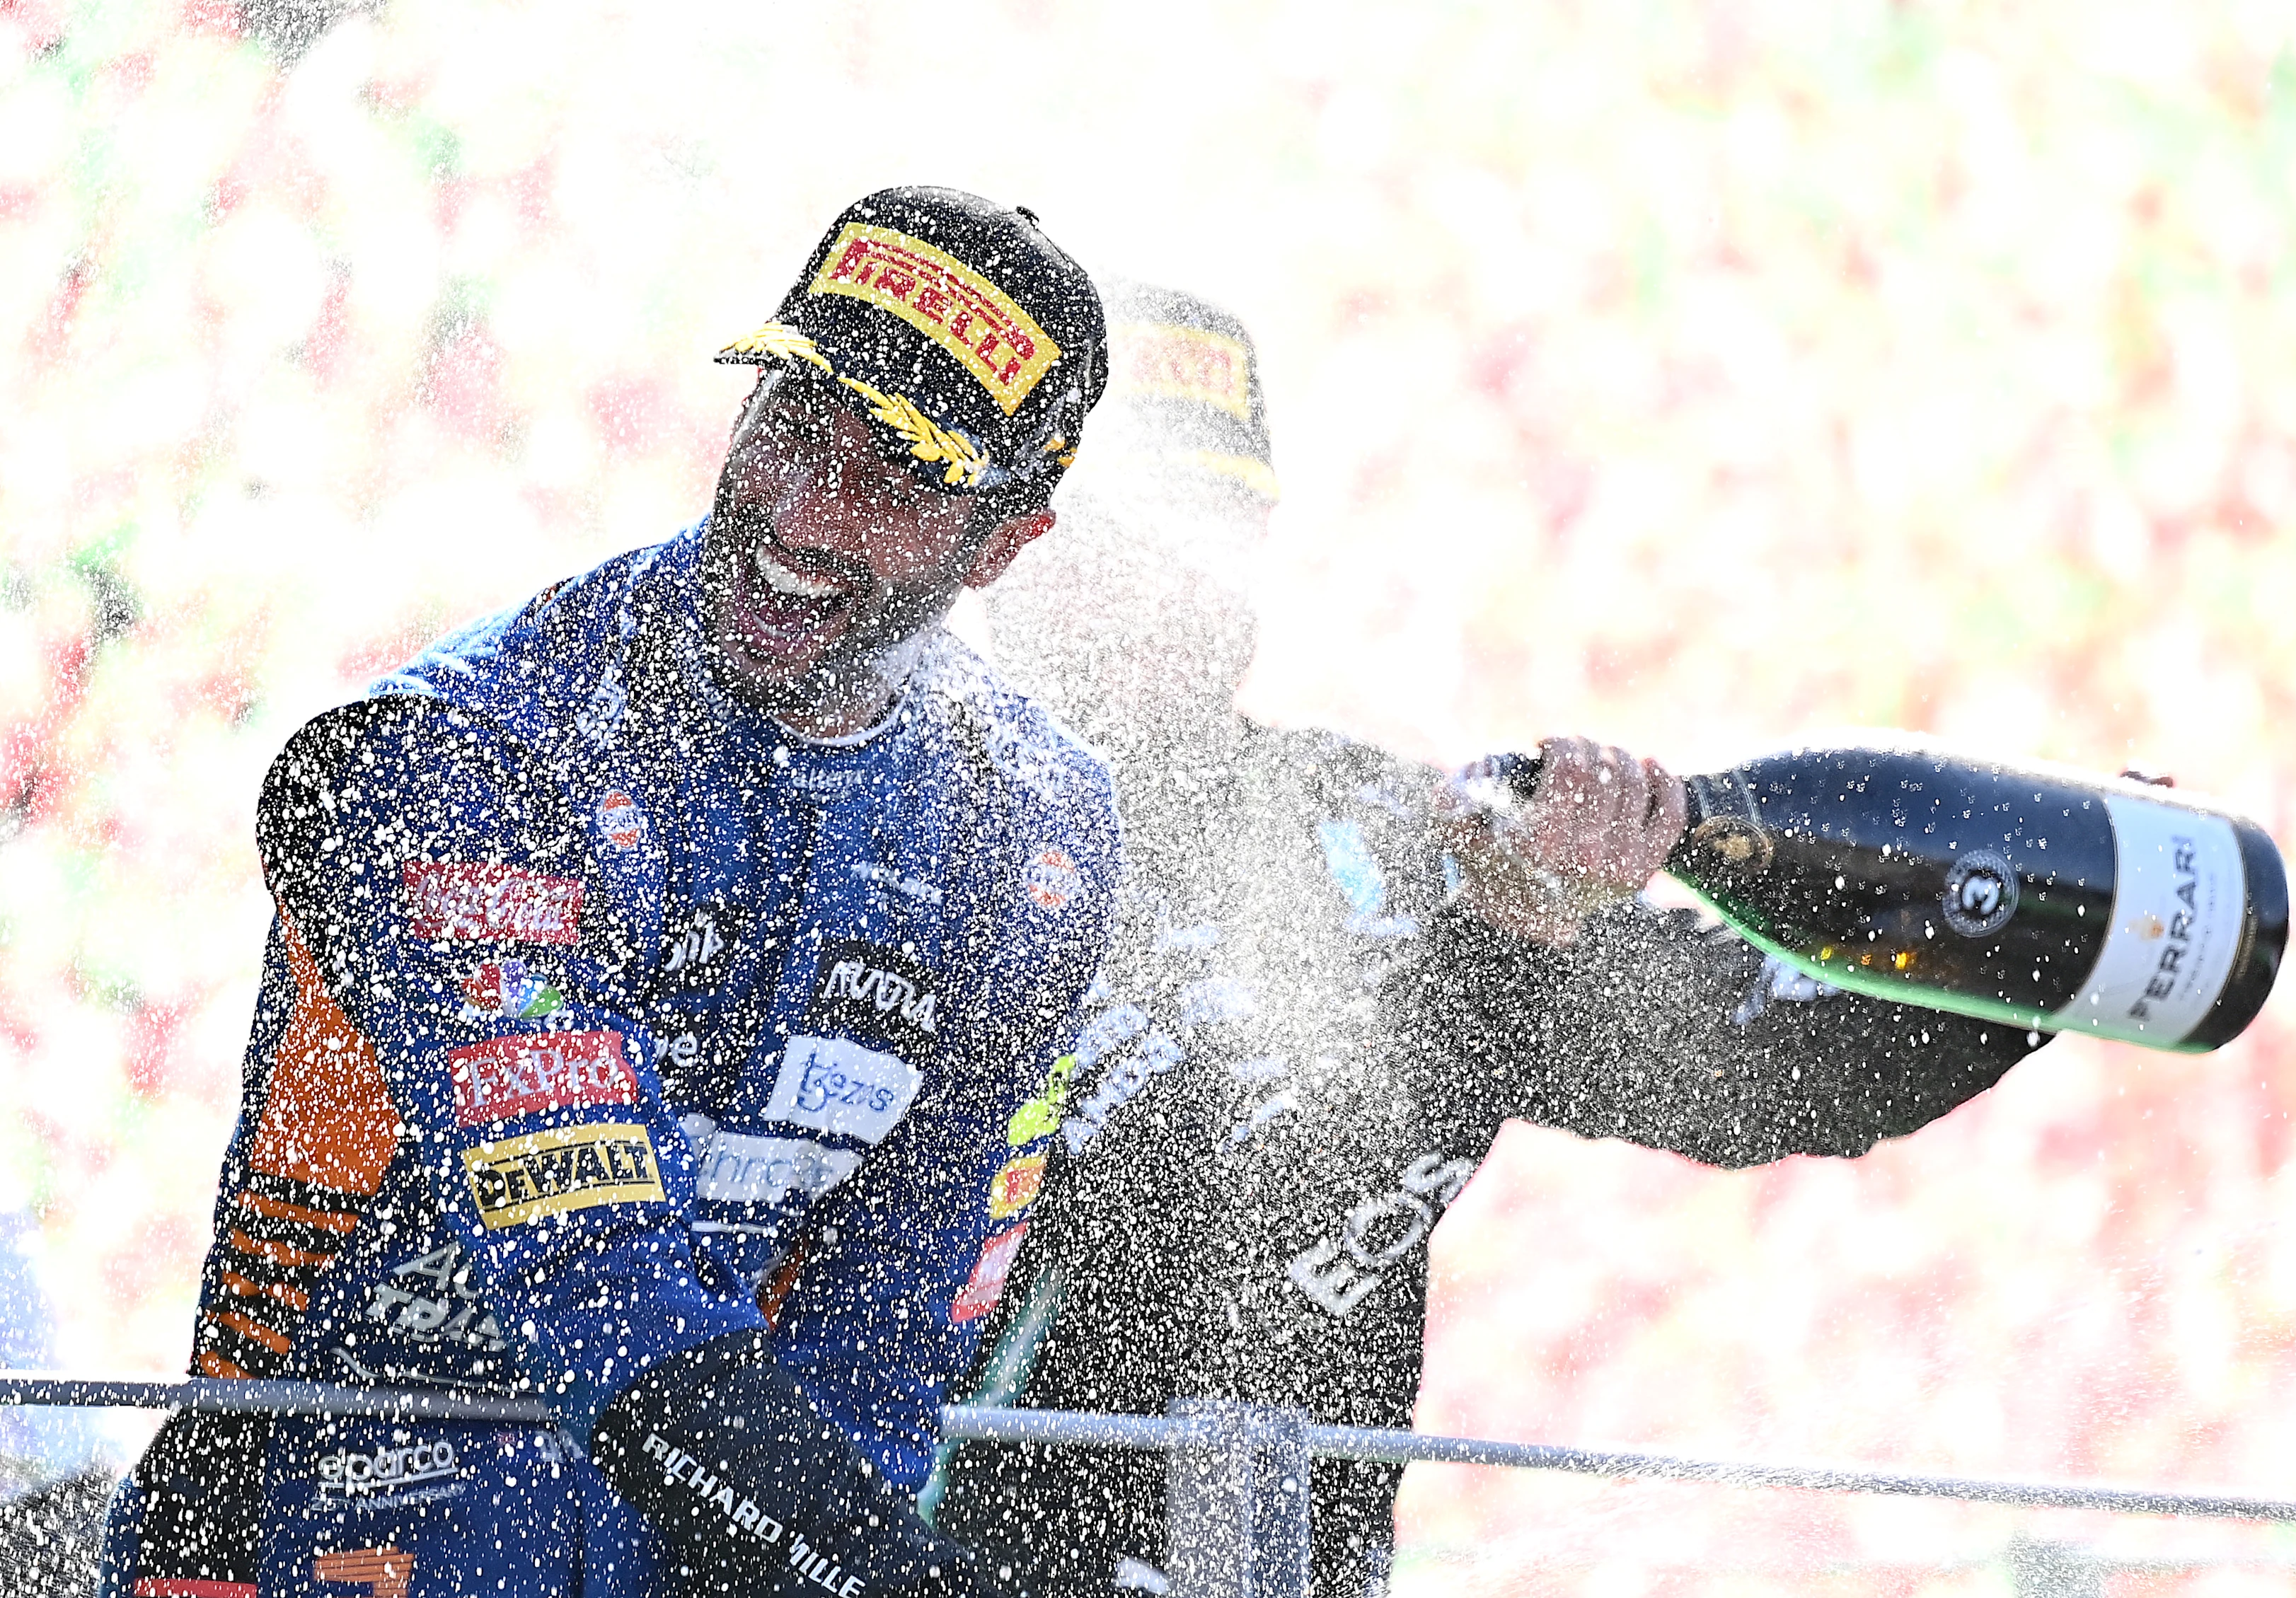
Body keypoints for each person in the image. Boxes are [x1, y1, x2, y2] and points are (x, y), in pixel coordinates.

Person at [930, 282, 2053, 1597]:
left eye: (1218, 531)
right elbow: (1175, 1243)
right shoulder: (896, 828)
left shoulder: (1392, 833)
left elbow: (1774, 1065)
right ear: (1006, 545)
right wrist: (1496, 954)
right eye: (1126, 537)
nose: (1175, 586)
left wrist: (2052, 932)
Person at [100, 187, 1121, 1598]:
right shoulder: (452, 758)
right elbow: (600, 1294)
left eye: (893, 478)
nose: (803, 511)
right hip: (319, 1530)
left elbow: (882, 1349)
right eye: (790, 425)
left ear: (1008, 543)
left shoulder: (1037, 837)